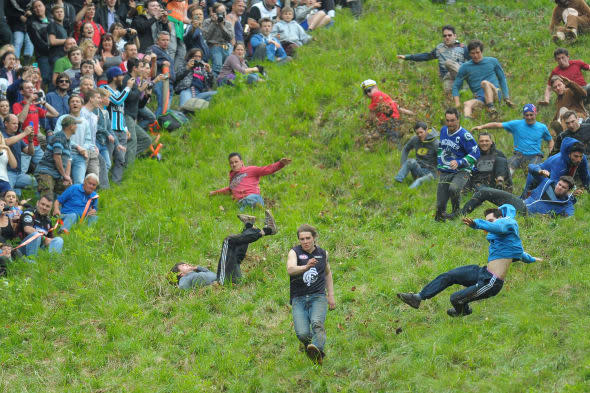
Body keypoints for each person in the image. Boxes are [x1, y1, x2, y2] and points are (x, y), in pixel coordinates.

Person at [401, 205, 543, 318]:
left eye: (491, 221)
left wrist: (478, 224)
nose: (489, 225)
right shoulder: (504, 240)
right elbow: (522, 254)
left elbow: (498, 227)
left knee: (455, 298)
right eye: (487, 221)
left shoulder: (508, 223)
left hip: (491, 282)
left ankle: (462, 311)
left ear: (501, 218)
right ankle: (418, 297)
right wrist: (532, 259)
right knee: (449, 276)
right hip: (482, 272)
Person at [171, 211, 278, 288]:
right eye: (184, 266)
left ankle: (249, 226)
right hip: (221, 283)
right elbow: (181, 288)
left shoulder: (196, 274)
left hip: (229, 279)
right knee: (228, 241)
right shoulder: (184, 280)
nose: (187, 264)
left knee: (235, 252)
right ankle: (266, 230)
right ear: (180, 274)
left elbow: (208, 272)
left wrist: (196, 267)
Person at [287, 224, 335, 365]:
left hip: (318, 296)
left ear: (314, 238)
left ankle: (317, 349)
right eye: (302, 239)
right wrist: (306, 267)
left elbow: (327, 273)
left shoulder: (323, 253)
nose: (305, 241)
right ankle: (311, 348)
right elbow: (290, 269)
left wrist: (330, 295)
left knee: (317, 323)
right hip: (298, 298)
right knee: (302, 334)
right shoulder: (294, 252)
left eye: (308, 238)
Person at [472, 104, 554, 176]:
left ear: (535, 114)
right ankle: (505, 187)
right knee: (507, 169)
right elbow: (497, 125)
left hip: (535, 156)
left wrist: (551, 153)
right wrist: (482, 127)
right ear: (523, 115)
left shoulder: (542, 127)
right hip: (519, 154)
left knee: (534, 171)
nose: (529, 117)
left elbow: (550, 140)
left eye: (531, 115)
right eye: (526, 115)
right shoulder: (516, 124)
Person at [397, 25, 469, 97]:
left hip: (461, 72)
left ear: (455, 36)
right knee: (449, 94)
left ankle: (465, 82)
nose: (447, 37)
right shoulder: (439, 49)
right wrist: (407, 57)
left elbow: (472, 61)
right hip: (448, 77)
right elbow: (426, 56)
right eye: (445, 36)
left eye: (449, 35)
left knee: (448, 63)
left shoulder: (462, 47)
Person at [435, 107, 480, 221]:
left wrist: (460, 162)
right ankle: (440, 221)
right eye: (447, 120)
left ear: (458, 119)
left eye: (452, 120)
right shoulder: (443, 130)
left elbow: (475, 153)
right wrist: (440, 165)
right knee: (440, 204)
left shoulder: (465, 135)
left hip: (462, 170)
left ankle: (456, 212)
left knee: (454, 188)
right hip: (446, 170)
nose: (450, 123)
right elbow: (442, 148)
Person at [461, 175, 580, 217]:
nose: (559, 188)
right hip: (521, 203)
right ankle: (461, 214)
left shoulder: (566, 204)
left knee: (485, 192)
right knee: (484, 191)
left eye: (564, 187)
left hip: (528, 213)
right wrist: (540, 171)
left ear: (568, 190)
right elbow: (532, 168)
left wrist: (551, 218)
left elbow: (570, 218)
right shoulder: (547, 183)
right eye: (559, 184)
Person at [452, 40, 513, 118]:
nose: (475, 55)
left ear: (482, 51)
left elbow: (502, 79)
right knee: (467, 104)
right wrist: (457, 104)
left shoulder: (492, 61)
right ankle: (467, 122)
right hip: (480, 98)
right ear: (469, 54)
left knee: (485, 83)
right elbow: (456, 86)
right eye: (472, 53)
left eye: (478, 52)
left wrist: (506, 97)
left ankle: (491, 109)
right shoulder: (465, 67)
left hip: (495, 93)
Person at [209, 153, 291, 210]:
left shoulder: (251, 169)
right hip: (241, 202)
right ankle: (251, 212)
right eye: (231, 163)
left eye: (236, 162)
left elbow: (267, 169)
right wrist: (214, 193)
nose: (234, 164)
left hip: (252, 197)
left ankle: (256, 208)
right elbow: (229, 190)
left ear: (241, 162)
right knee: (240, 209)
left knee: (251, 200)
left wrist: (280, 164)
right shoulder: (232, 178)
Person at [13, 81, 60, 174]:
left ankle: (37, 183)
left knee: (44, 167)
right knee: (21, 171)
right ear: (22, 92)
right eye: (27, 88)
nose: (31, 89)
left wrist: (43, 103)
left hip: (36, 143)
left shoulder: (35, 107)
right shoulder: (17, 105)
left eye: (32, 87)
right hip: (24, 143)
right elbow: (20, 120)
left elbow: (55, 114)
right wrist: (29, 102)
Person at [522, 137, 589, 198]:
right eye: (576, 156)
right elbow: (555, 186)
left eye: (581, 156)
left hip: (554, 179)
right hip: (537, 177)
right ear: (569, 154)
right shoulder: (559, 162)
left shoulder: (582, 159)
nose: (579, 160)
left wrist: (587, 188)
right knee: (527, 200)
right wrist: (570, 193)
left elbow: (585, 176)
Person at [54, 95, 95, 185]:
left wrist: (83, 148)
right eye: (72, 101)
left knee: (79, 182)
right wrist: (78, 147)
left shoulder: (85, 122)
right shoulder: (63, 118)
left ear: (82, 105)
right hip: (64, 154)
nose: (75, 103)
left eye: (77, 101)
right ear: (69, 105)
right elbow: (57, 136)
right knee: (63, 182)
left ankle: (76, 199)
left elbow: (88, 140)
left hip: (79, 156)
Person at [102, 66, 133, 184]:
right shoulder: (104, 88)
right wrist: (128, 88)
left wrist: (125, 128)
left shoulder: (120, 92)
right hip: (110, 130)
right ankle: (103, 184)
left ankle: (116, 183)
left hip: (121, 130)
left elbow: (121, 111)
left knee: (121, 159)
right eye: (121, 75)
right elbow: (117, 100)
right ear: (114, 77)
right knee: (108, 158)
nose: (123, 77)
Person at [35, 115, 79, 198]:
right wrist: (64, 175)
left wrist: (67, 177)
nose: (77, 127)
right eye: (76, 125)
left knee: (70, 192)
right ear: (71, 126)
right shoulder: (59, 137)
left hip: (57, 174)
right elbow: (57, 157)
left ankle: (60, 210)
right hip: (46, 172)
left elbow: (68, 160)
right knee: (47, 197)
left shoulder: (68, 140)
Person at [122, 58, 153, 167]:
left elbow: (139, 105)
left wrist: (146, 95)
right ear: (135, 68)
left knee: (146, 140)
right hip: (125, 115)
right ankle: (127, 169)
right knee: (132, 142)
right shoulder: (126, 79)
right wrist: (140, 90)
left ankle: (124, 159)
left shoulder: (134, 81)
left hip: (132, 116)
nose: (143, 69)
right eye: (141, 67)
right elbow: (127, 98)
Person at [394, 121, 438, 188]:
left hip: (431, 173)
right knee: (410, 161)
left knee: (419, 181)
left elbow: (442, 158)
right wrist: (402, 164)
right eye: (417, 133)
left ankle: (408, 193)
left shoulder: (435, 142)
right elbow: (406, 149)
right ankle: (396, 183)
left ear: (426, 130)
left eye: (421, 132)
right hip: (418, 169)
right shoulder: (415, 139)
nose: (419, 135)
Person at [3, 114, 35, 195]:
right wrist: (24, 133)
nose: (16, 125)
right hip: (7, 173)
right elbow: (6, 142)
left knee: (36, 183)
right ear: (6, 123)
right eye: (14, 123)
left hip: (19, 174)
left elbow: (30, 152)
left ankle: (36, 205)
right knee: (8, 195)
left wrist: (30, 141)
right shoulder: (2, 135)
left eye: (17, 123)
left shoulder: (17, 137)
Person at [202, 2, 234, 77]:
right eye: (220, 13)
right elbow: (205, 37)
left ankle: (227, 82)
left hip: (226, 47)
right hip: (214, 47)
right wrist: (213, 23)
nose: (222, 15)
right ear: (214, 13)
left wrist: (221, 25)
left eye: (224, 12)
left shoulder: (228, 24)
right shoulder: (207, 22)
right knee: (217, 67)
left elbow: (230, 37)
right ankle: (215, 81)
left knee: (228, 68)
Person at [147, 31, 175, 117]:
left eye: (167, 40)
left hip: (169, 82)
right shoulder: (153, 49)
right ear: (157, 40)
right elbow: (147, 60)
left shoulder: (167, 51)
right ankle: (155, 124)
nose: (166, 42)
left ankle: (160, 125)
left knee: (166, 107)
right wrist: (161, 62)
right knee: (163, 105)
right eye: (163, 40)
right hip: (161, 81)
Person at [27, 1, 52, 88]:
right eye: (35, 7)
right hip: (43, 55)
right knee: (44, 78)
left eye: (39, 6)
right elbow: (37, 42)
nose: (38, 8)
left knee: (56, 78)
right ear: (33, 10)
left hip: (56, 54)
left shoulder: (52, 19)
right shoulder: (32, 24)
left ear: (44, 7)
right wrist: (51, 48)